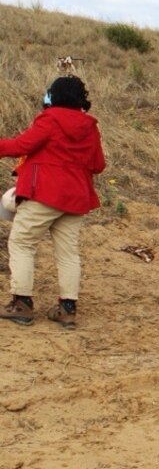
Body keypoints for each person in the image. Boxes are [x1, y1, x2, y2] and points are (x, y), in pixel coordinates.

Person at [0, 76, 105, 329]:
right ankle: (67, 309)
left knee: (22, 243)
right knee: (68, 254)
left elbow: (20, 146)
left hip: (44, 193)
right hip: (75, 197)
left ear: (54, 95)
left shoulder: (50, 118)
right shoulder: (90, 126)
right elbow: (99, 165)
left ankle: (22, 304)